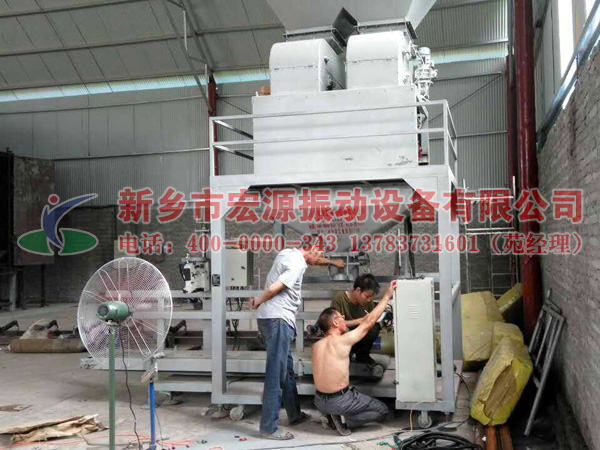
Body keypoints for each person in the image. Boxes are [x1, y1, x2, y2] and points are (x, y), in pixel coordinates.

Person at [251, 246, 345, 440]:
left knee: (286, 370)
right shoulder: (297, 264)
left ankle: (294, 414)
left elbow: (314, 259)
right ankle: (268, 428)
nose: (319, 259)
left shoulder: (289, 253)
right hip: (278, 319)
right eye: (320, 255)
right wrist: (258, 299)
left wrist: (331, 262)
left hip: (271, 318)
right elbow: (276, 287)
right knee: (276, 374)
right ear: (311, 249)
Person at [312, 281, 396, 435]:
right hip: (339, 401)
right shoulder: (342, 341)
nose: (344, 317)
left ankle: (330, 415)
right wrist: (387, 295)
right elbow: (369, 322)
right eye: (340, 317)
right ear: (335, 323)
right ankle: (343, 421)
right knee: (382, 410)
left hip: (319, 401)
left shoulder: (316, 346)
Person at [330, 274, 382, 364]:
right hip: (345, 338)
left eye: (371, 297)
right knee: (343, 330)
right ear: (358, 290)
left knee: (374, 327)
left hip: (359, 337)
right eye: (367, 296)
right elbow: (335, 324)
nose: (369, 300)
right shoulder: (339, 298)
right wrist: (361, 321)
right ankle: (345, 355)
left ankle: (362, 355)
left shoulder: (368, 302)